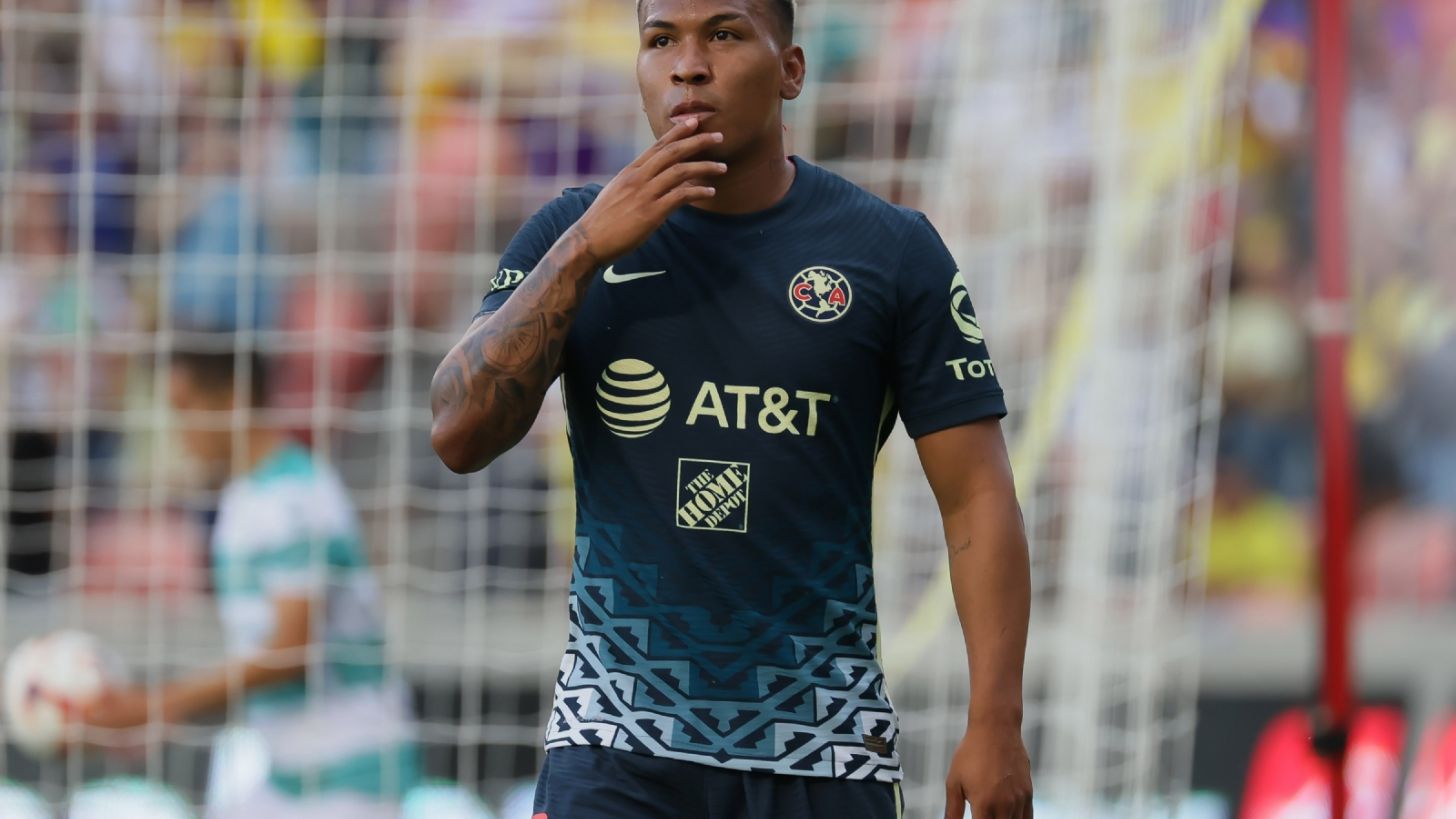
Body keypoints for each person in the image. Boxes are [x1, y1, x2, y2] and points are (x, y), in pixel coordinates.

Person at [429, 1, 1033, 816]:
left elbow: (977, 495)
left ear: (791, 70)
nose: (688, 64)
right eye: (660, 40)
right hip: (613, 745)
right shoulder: (569, 233)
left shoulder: (892, 251)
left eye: (723, 33)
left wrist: (996, 720)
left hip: (825, 747)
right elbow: (457, 434)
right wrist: (582, 254)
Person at [85, 349, 419, 819]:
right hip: (291, 776)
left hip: (352, 775)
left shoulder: (291, 495)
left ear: (233, 399)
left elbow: (291, 653)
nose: (178, 428)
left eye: (185, 407)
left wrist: (157, 705)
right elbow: (264, 664)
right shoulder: (246, 495)